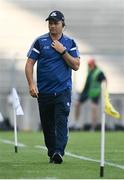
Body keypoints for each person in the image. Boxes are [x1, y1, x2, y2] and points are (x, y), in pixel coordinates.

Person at [25, 10, 80, 164]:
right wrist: (31, 84)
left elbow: (76, 65)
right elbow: (29, 63)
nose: (52, 26)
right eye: (50, 23)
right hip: (44, 92)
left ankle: (59, 152)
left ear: (63, 24)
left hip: (63, 91)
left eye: (56, 23)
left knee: (61, 121)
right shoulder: (40, 41)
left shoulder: (70, 43)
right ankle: (52, 152)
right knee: (47, 125)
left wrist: (63, 51)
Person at [75, 58, 106, 131]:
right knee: (77, 104)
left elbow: (104, 81)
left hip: (95, 93)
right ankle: (76, 124)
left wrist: (104, 92)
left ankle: (93, 127)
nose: (89, 66)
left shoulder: (99, 72)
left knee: (94, 109)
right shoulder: (89, 70)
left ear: (94, 64)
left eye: (90, 65)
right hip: (86, 92)